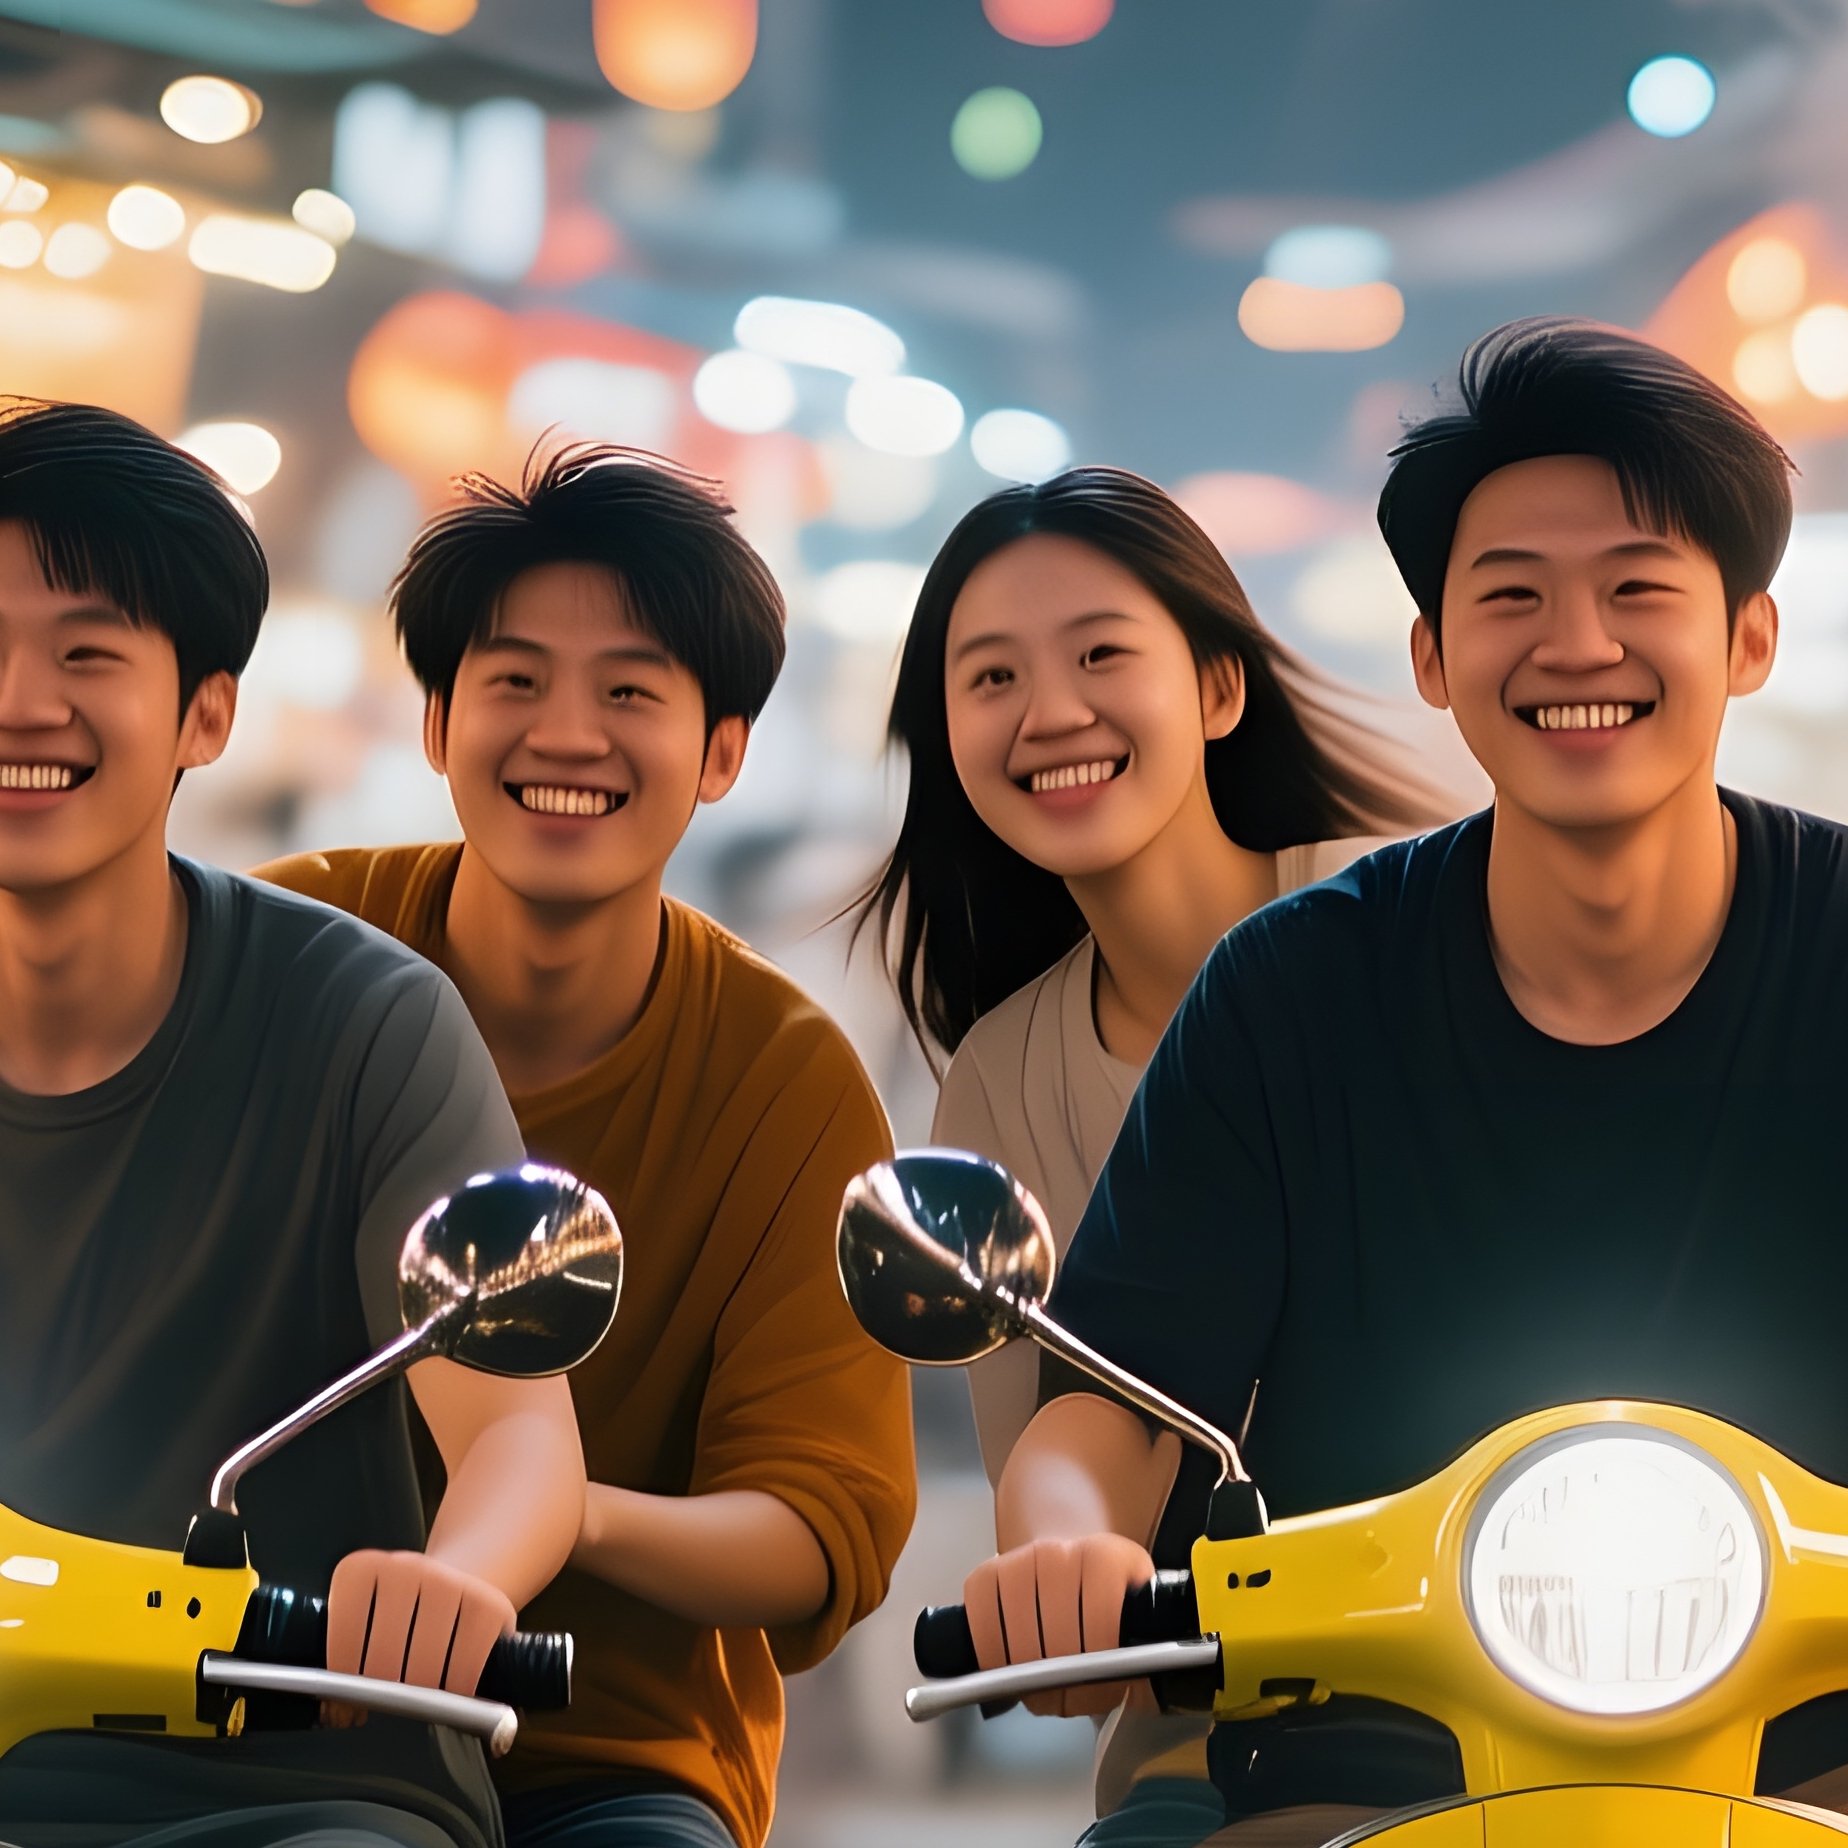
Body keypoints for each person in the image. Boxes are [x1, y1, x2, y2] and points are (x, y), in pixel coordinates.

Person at [961, 318, 1848, 1847]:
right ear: (1435, 657)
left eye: (1640, 589)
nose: (1578, 646)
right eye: (1512, 597)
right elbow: (1108, 1408)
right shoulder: (1289, 989)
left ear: (1748, 638)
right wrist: (1061, 1539)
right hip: (1359, 1774)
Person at [259, 442, 916, 1848]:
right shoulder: (289, 957)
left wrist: (551, 1522)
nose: (567, 735)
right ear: (435, 723)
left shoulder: (786, 1080)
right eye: (513, 683)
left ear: (723, 751)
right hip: (241, 1705)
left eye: (630, 691)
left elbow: (821, 1538)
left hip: (604, 1756)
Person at [0, 399, 587, 1848]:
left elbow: (518, 1430)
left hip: (297, 1780)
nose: (22, 699)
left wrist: (457, 1582)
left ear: (207, 711)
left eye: (87, 652)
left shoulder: (359, 1020)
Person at [856, 466, 1453, 1837]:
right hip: (1225, 1734)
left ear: (1221, 689)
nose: (1051, 712)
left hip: (1546, 1662)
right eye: (990, 677)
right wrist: (1058, 1558)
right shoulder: (1003, 1076)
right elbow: (1057, 1473)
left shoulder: (1410, 919)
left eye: (1103, 654)